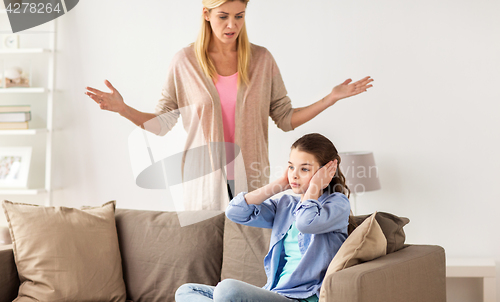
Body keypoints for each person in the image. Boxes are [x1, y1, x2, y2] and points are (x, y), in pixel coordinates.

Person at [84, 0, 373, 210]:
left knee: (249, 264)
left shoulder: (262, 60)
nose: (232, 25)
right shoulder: (184, 62)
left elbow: (285, 118)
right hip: (201, 182)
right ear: (206, 14)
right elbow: (163, 124)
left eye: (239, 16)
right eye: (223, 16)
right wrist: (123, 109)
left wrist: (330, 98)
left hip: (253, 179)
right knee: (203, 263)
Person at [175, 133, 351, 302]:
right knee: (185, 291)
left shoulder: (337, 204)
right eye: (291, 167)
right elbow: (235, 212)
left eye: (304, 169)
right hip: (273, 294)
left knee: (226, 291)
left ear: (327, 171)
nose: (294, 174)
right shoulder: (286, 204)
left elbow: (305, 223)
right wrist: (279, 185)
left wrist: (315, 187)